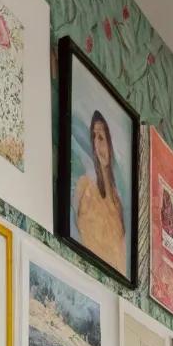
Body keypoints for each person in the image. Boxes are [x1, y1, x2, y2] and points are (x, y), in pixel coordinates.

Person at [74, 110, 126, 276]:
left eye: (101, 138)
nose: (97, 145)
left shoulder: (118, 206)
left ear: (111, 143)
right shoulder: (84, 187)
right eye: (94, 138)